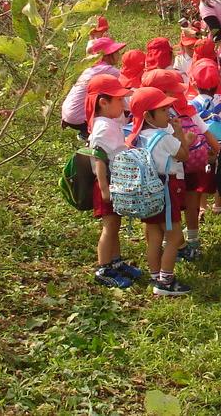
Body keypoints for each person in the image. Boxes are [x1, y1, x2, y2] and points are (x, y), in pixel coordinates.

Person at [126, 87, 197, 296]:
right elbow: (183, 155)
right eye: (164, 111)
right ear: (149, 115)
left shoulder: (136, 136)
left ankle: (155, 275)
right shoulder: (164, 137)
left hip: (146, 192)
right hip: (167, 189)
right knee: (174, 237)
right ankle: (166, 281)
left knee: (154, 236)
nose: (169, 114)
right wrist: (179, 133)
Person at [142, 68, 218, 260]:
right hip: (167, 171)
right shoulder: (153, 115)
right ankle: (168, 245)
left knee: (186, 204)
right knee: (161, 211)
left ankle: (188, 240)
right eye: (171, 91)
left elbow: (204, 129)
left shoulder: (182, 109)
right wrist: (187, 140)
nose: (178, 94)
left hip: (185, 166)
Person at [85, 74, 142, 288]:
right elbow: (99, 158)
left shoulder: (108, 122)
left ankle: (116, 262)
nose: (123, 103)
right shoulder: (103, 127)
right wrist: (104, 188)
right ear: (103, 103)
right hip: (107, 183)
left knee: (115, 224)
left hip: (114, 181)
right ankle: (103, 268)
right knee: (109, 227)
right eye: (119, 99)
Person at [189, 58, 221, 227]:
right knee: (220, 176)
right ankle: (218, 205)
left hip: (199, 150)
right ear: (219, 83)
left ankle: (201, 207)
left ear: (193, 83)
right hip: (220, 149)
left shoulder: (191, 105)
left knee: (201, 179)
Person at [61, 37, 126, 139]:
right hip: (79, 118)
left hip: (68, 113)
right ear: (107, 56)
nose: (119, 55)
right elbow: (126, 82)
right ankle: (90, 132)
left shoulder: (90, 68)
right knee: (116, 101)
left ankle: (84, 131)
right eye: (116, 52)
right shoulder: (109, 70)